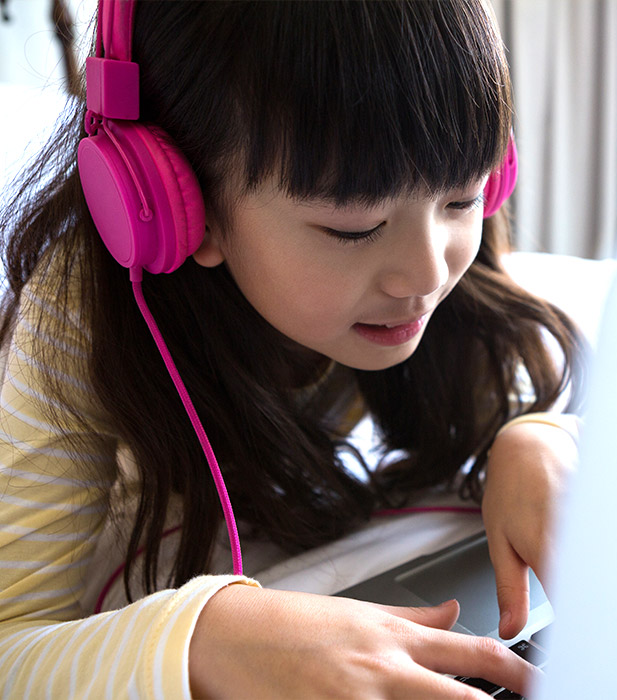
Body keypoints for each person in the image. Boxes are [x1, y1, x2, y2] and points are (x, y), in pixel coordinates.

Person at [0, 1, 583, 696]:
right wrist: (207, 638)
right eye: (354, 228)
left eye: (461, 200)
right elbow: (11, 640)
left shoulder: (444, 273)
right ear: (178, 202)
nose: (428, 275)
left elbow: (520, 401)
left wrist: (537, 438)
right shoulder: (80, 310)